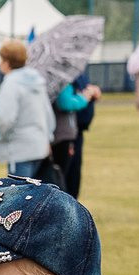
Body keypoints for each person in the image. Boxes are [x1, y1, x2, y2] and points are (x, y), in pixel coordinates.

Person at [0, 39, 52, 180]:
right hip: (39, 146)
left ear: (6, 62)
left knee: (20, 197)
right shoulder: (37, 81)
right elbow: (47, 114)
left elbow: (5, 118)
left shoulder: (11, 84)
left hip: (19, 148)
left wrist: (2, 137)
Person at [48, 73, 99, 201]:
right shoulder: (60, 77)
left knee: (70, 177)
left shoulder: (71, 74)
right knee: (63, 178)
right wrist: (85, 97)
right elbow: (65, 102)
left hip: (71, 133)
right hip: (63, 135)